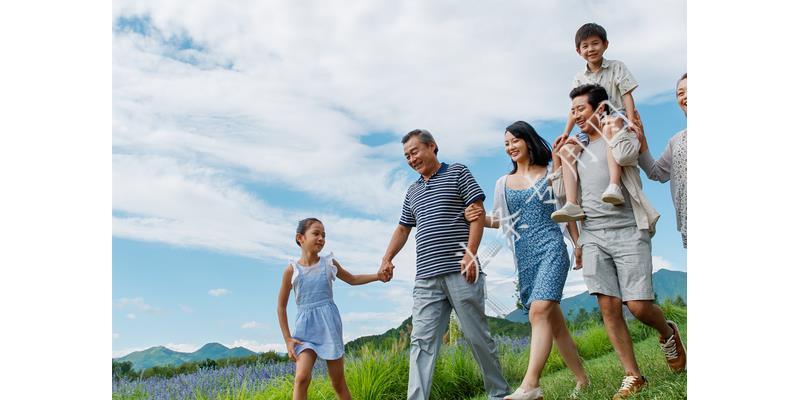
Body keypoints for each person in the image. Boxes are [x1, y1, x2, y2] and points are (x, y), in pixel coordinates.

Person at [551, 84, 686, 399]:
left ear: (598, 108)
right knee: (608, 305)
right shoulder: (577, 149)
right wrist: (559, 161)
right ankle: (633, 375)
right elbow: (560, 195)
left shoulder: (618, 131)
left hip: (628, 228)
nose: (576, 117)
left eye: (580, 110)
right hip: (594, 235)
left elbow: (628, 154)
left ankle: (667, 332)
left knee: (637, 306)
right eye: (572, 112)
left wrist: (613, 124)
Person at [378, 129, 510, 400]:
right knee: (421, 343)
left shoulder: (458, 172)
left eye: (414, 152)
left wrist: (471, 254)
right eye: (407, 156)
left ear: (432, 147)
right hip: (426, 278)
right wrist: (387, 257)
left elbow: (477, 213)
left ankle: (499, 393)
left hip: (461, 271)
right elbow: (403, 228)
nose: (411, 159)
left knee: (477, 337)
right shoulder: (413, 191)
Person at [464, 121, 589, 400]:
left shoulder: (550, 173)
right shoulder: (502, 183)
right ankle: (583, 379)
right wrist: (478, 218)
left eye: (514, 140)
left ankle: (531, 385)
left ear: (528, 140)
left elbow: (565, 210)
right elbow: (500, 220)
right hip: (525, 257)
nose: (510, 147)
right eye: (506, 144)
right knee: (554, 324)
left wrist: (578, 244)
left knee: (538, 311)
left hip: (552, 248)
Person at [277, 218, 389, 400]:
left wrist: (377, 276)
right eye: (316, 233)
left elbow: (352, 279)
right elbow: (281, 307)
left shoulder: (328, 264)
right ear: (300, 238)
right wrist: (288, 339)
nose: (321, 238)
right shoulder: (292, 270)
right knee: (301, 378)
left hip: (329, 327)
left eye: (324, 235)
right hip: (304, 332)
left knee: (337, 382)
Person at [552, 22, 642, 222]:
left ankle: (614, 185)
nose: (590, 49)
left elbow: (626, 94)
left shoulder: (617, 67)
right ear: (578, 51)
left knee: (610, 130)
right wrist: (567, 133)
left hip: (614, 118)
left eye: (595, 44)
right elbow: (574, 108)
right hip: (589, 127)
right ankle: (572, 203)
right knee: (566, 150)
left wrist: (631, 120)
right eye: (585, 46)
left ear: (605, 44)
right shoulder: (579, 77)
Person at [637, 73, 688, 248]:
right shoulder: (677, 140)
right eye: (680, 93)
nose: (685, 96)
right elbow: (656, 172)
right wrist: (641, 139)